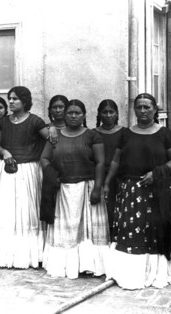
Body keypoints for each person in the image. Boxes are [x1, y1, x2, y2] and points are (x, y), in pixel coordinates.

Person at [104, 93, 171, 289]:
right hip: (131, 191)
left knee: (156, 231)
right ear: (134, 110)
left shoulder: (164, 133)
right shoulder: (126, 134)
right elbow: (115, 160)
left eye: (147, 107)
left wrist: (157, 173)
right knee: (132, 232)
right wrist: (107, 183)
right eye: (139, 107)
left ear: (155, 109)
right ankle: (131, 274)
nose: (143, 111)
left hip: (158, 190)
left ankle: (157, 272)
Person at [0, 86, 56, 269]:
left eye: (15, 99)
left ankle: (27, 256)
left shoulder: (35, 121)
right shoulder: (3, 122)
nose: (10, 102)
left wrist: (53, 128)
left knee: (26, 210)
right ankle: (7, 254)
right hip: (7, 170)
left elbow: (51, 140)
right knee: (8, 211)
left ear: (25, 101)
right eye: (9, 98)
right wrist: (6, 152)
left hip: (27, 171)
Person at [40, 99, 109, 278]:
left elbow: (101, 162)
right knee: (68, 228)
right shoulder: (55, 136)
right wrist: (52, 173)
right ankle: (67, 265)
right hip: (63, 189)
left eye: (77, 113)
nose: (73, 116)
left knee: (86, 229)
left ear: (84, 115)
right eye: (70, 112)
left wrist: (98, 188)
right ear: (65, 114)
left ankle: (89, 265)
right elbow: (44, 158)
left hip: (87, 186)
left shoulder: (92, 136)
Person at [94, 99, 124, 237]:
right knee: (101, 211)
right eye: (104, 112)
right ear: (99, 114)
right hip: (98, 177)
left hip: (119, 177)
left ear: (117, 114)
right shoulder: (93, 133)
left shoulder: (124, 132)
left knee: (117, 210)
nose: (108, 115)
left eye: (111, 112)